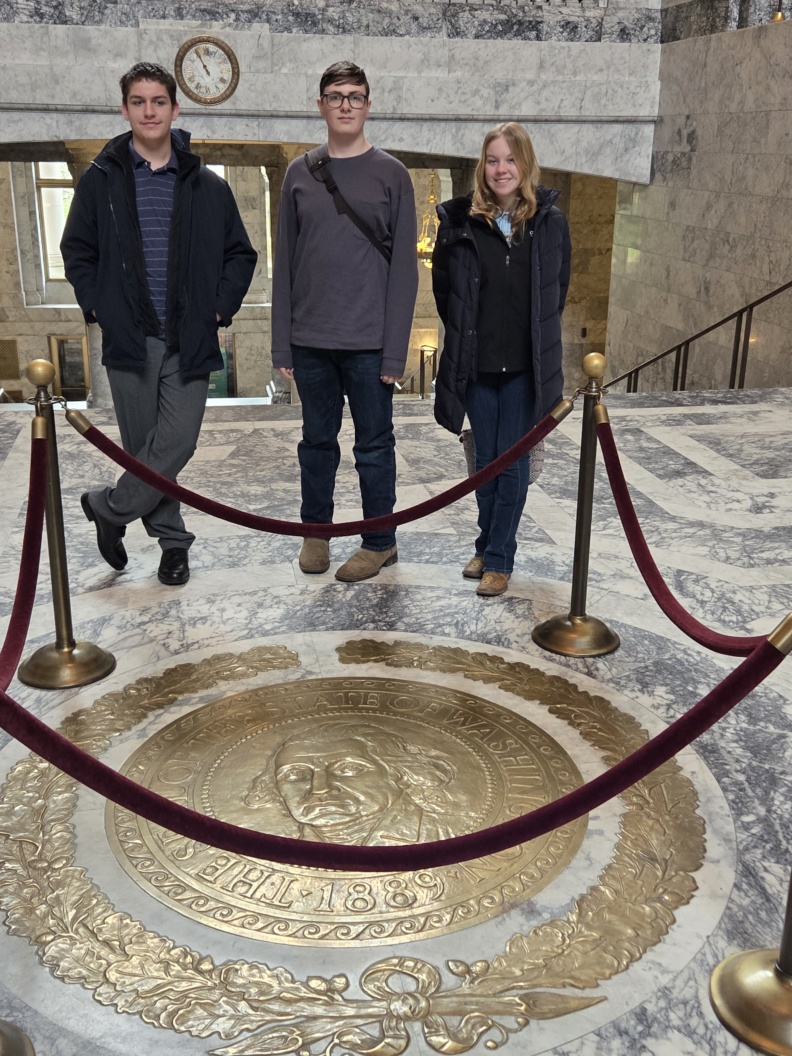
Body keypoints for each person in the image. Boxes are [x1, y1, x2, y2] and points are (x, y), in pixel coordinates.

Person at [61, 62, 257, 586]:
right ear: (125, 110)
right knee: (145, 448)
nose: (150, 111)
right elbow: (77, 252)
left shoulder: (206, 187)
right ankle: (174, 545)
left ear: (175, 108)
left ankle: (108, 506)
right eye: (139, 102)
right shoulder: (98, 181)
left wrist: (218, 308)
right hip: (130, 338)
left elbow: (241, 254)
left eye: (159, 101)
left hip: (189, 337)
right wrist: (98, 305)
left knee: (177, 442)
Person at [271, 61, 418, 582]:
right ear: (321, 105)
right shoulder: (298, 172)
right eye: (336, 96)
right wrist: (281, 345)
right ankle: (317, 532)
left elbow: (405, 271)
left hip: (369, 343)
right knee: (316, 442)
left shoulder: (392, 174)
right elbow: (283, 262)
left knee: (374, 445)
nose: (346, 105)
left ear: (368, 105)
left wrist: (396, 352)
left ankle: (380, 540)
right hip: (311, 340)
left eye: (355, 96)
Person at [431, 122, 571, 598]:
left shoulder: (550, 223)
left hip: (525, 371)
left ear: (526, 164)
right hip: (477, 366)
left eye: (510, 159)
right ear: (482, 167)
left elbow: (558, 291)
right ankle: (487, 542)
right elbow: (445, 293)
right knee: (484, 463)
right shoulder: (461, 222)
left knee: (511, 463)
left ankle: (499, 558)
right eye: (493, 160)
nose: (501, 169)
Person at [243, 723, 473, 845]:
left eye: (348, 769)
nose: (320, 788)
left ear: (399, 774)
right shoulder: (266, 845)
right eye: (295, 774)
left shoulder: (455, 835)